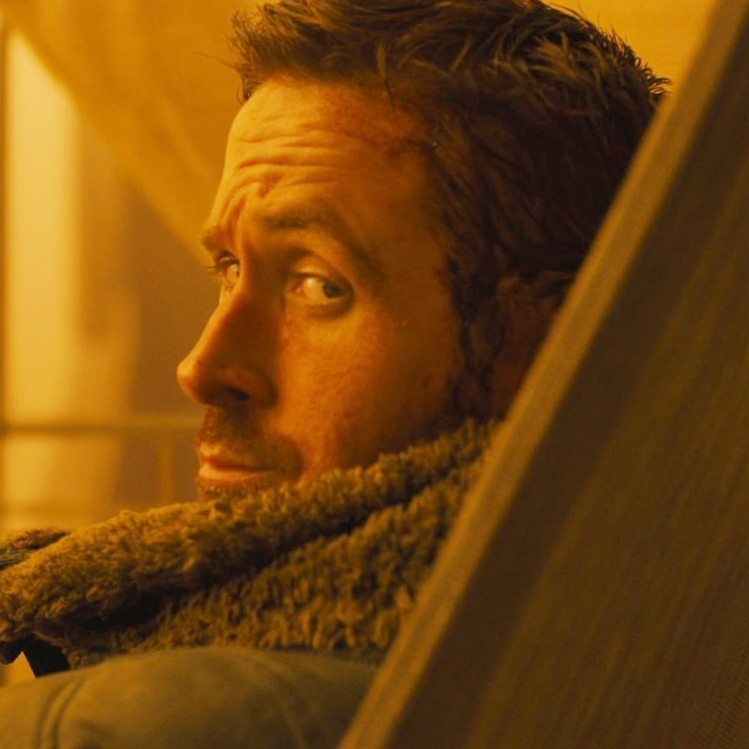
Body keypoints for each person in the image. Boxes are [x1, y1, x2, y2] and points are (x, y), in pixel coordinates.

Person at [0, 1, 665, 745]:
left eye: (319, 285)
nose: (201, 367)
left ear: (543, 343)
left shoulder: (149, 725)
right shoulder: (657, 606)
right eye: (229, 267)